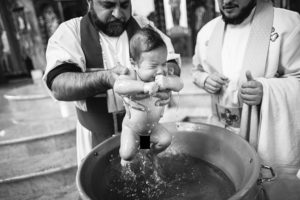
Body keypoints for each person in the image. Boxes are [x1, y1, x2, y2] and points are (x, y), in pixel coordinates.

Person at [43, 0, 181, 164]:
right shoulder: (71, 32)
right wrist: (105, 78)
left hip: (143, 129)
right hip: (96, 135)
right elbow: (58, 84)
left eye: (124, 5)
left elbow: (171, 61)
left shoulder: (143, 27)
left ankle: (145, 158)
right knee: (101, 183)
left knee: (142, 168)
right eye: (108, 6)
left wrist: (165, 77)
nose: (118, 14)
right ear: (90, 2)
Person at [192, 0, 300, 176]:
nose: (226, 1)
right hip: (222, 132)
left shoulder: (288, 25)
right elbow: (196, 70)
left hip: (265, 135)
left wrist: (266, 90)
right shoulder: (206, 32)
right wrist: (205, 79)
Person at [114, 27, 184, 163]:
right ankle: (126, 162)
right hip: (132, 128)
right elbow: (118, 86)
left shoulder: (163, 76)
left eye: (163, 64)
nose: (160, 71)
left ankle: (150, 154)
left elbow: (179, 84)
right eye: (153, 66)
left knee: (165, 140)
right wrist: (144, 86)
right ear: (134, 64)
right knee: (127, 154)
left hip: (151, 127)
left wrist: (168, 81)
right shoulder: (132, 75)